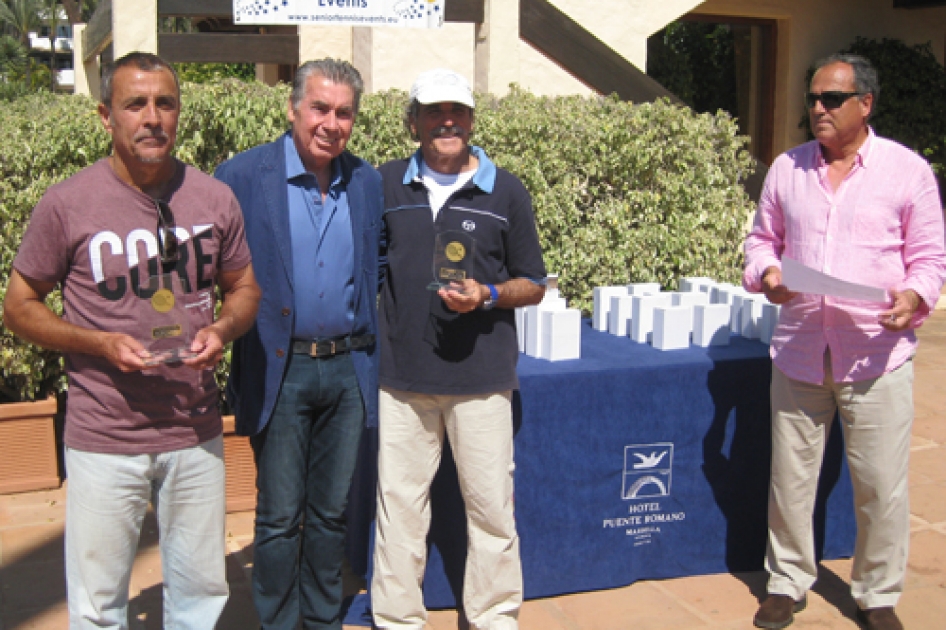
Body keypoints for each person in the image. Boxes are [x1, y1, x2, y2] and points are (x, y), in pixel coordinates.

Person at [2, 52, 260, 629]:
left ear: (178, 113)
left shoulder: (213, 198)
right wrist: (99, 343)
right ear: (106, 116)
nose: (152, 117)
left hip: (194, 429)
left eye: (164, 103)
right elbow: (18, 307)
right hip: (104, 435)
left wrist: (222, 327)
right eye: (135, 104)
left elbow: (244, 287)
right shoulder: (68, 204)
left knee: (199, 595)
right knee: (99, 606)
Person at [744, 54, 946, 630]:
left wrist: (914, 297)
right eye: (812, 99)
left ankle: (877, 593)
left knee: (881, 486)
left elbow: (929, 258)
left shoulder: (907, 172)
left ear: (866, 104)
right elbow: (762, 241)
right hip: (802, 348)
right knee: (790, 480)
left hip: (876, 356)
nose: (817, 109)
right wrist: (770, 276)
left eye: (831, 99)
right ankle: (786, 582)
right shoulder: (788, 168)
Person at [370, 68, 546, 630]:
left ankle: (493, 618)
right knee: (399, 512)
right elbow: (371, 268)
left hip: (482, 379)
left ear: (471, 120)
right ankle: (398, 620)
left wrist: (490, 294)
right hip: (402, 378)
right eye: (434, 111)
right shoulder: (387, 184)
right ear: (414, 121)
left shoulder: (506, 189)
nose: (447, 121)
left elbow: (534, 283)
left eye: (458, 111)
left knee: (492, 511)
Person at [214, 58, 384, 630]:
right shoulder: (241, 176)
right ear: (292, 109)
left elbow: (376, 266)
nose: (331, 123)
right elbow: (213, 267)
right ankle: (278, 621)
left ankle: (321, 620)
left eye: (344, 113)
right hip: (278, 370)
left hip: (346, 370)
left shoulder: (367, 182)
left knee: (331, 512)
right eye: (319, 108)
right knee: (281, 515)